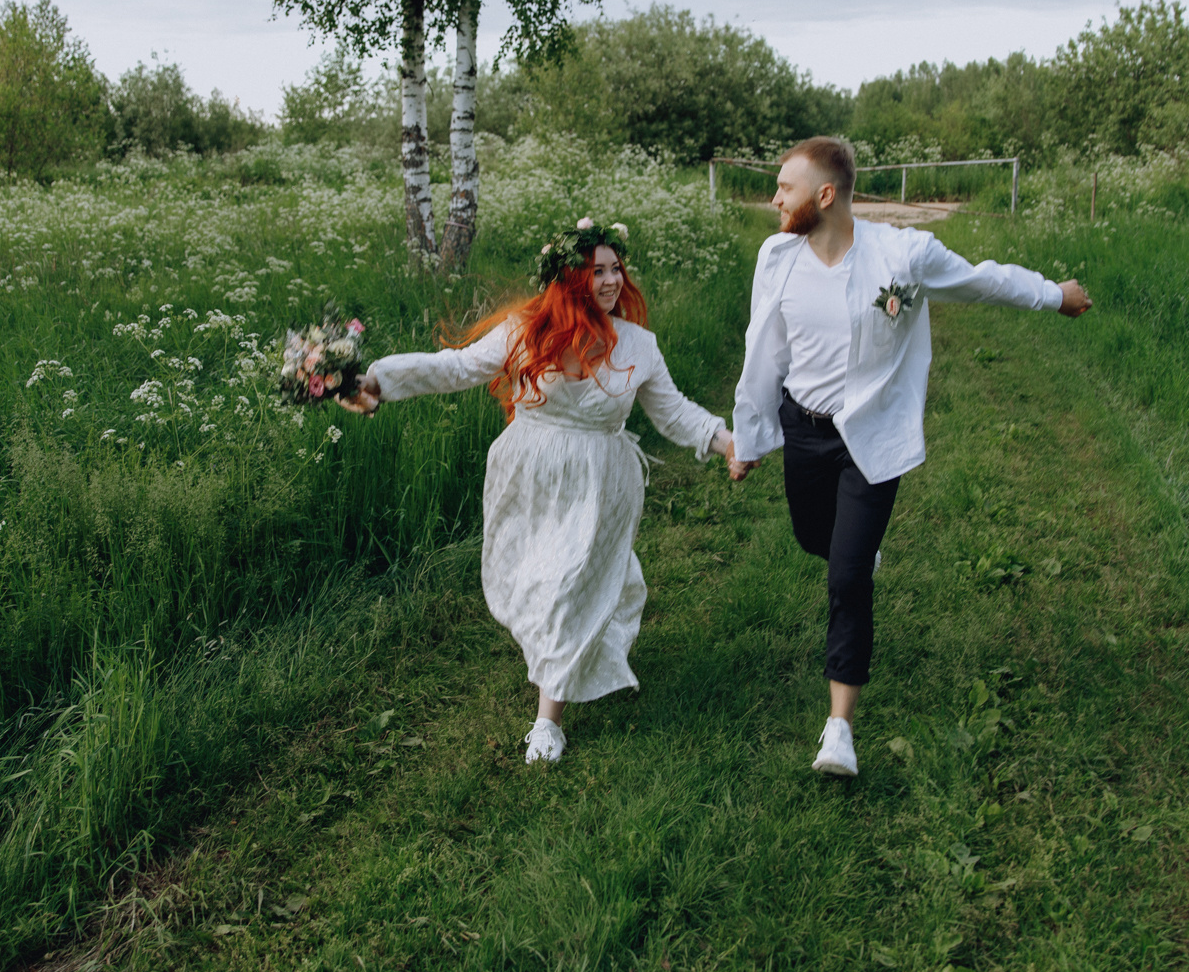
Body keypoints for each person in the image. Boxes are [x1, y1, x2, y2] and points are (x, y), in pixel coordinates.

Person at [727, 138, 1091, 777]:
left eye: (785, 187)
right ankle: (853, 549)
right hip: (804, 430)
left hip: (871, 439)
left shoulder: (902, 254)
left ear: (826, 195)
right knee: (816, 540)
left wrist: (1052, 294)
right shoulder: (776, 256)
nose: (774, 198)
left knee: (846, 579)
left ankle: (839, 728)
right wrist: (751, 438)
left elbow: (984, 282)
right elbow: (767, 349)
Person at [339, 219, 732, 763]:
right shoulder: (525, 330)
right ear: (570, 278)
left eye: (617, 269)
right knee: (537, 581)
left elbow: (674, 412)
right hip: (529, 475)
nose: (612, 280)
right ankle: (571, 647)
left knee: (565, 585)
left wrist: (725, 442)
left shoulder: (640, 345)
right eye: (598, 272)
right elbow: (456, 367)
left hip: (600, 483)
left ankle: (548, 722)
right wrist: (378, 380)